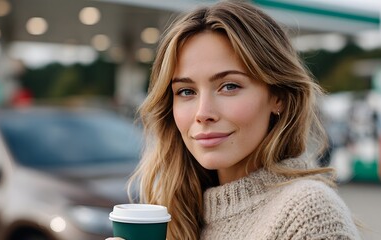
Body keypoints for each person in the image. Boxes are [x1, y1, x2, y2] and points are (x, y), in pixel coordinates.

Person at [108, 1, 360, 239]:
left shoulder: (309, 215)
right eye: (186, 91)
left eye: (229, 86)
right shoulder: (181, 212)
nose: (203, 112)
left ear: (279, 97)